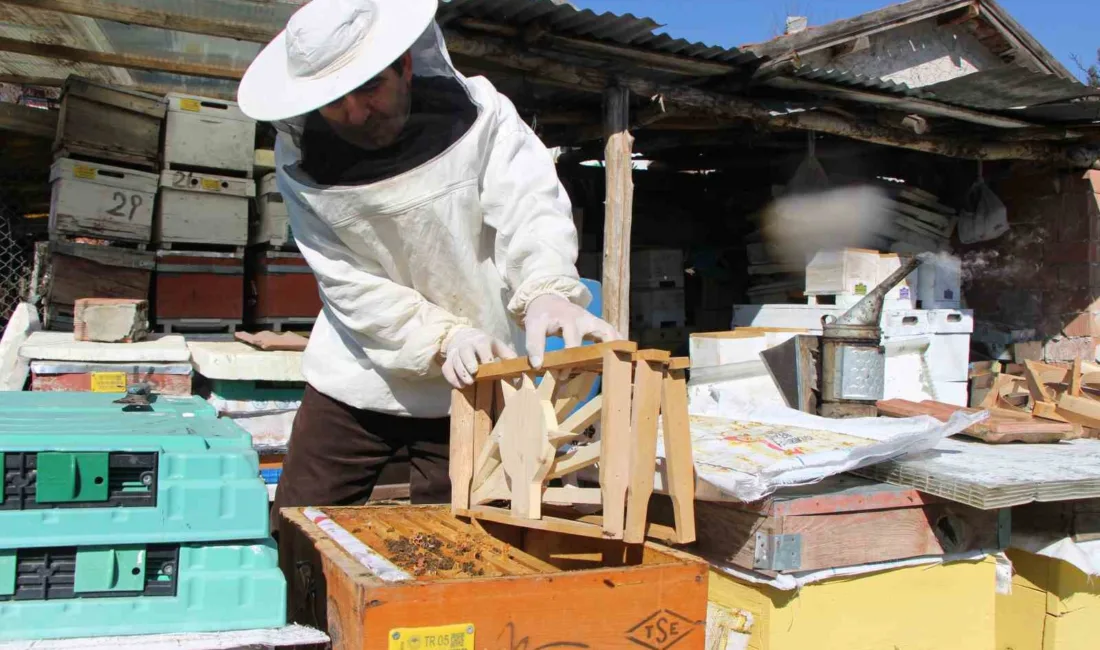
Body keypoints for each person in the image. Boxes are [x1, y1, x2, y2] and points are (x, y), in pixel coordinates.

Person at [236, 0, 620, 527]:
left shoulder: (485, 115)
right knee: (299, 530)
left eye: (369, 89)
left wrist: (546, 286)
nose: (354, 114)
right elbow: (347, 281)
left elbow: (529, 206)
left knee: (467, 543)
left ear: (406, 66)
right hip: (356, 377)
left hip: (476, 378)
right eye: (334, 103)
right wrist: (441, 338)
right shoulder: (299, 161)